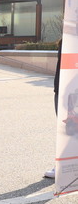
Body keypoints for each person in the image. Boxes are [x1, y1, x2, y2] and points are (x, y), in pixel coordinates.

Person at [45, 38, 62, 179]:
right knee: (65, 131)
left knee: (68, 131)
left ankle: (63, 167)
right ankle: (63, 166)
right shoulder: (67, 38)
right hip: (61, 89)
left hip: (70, 91)